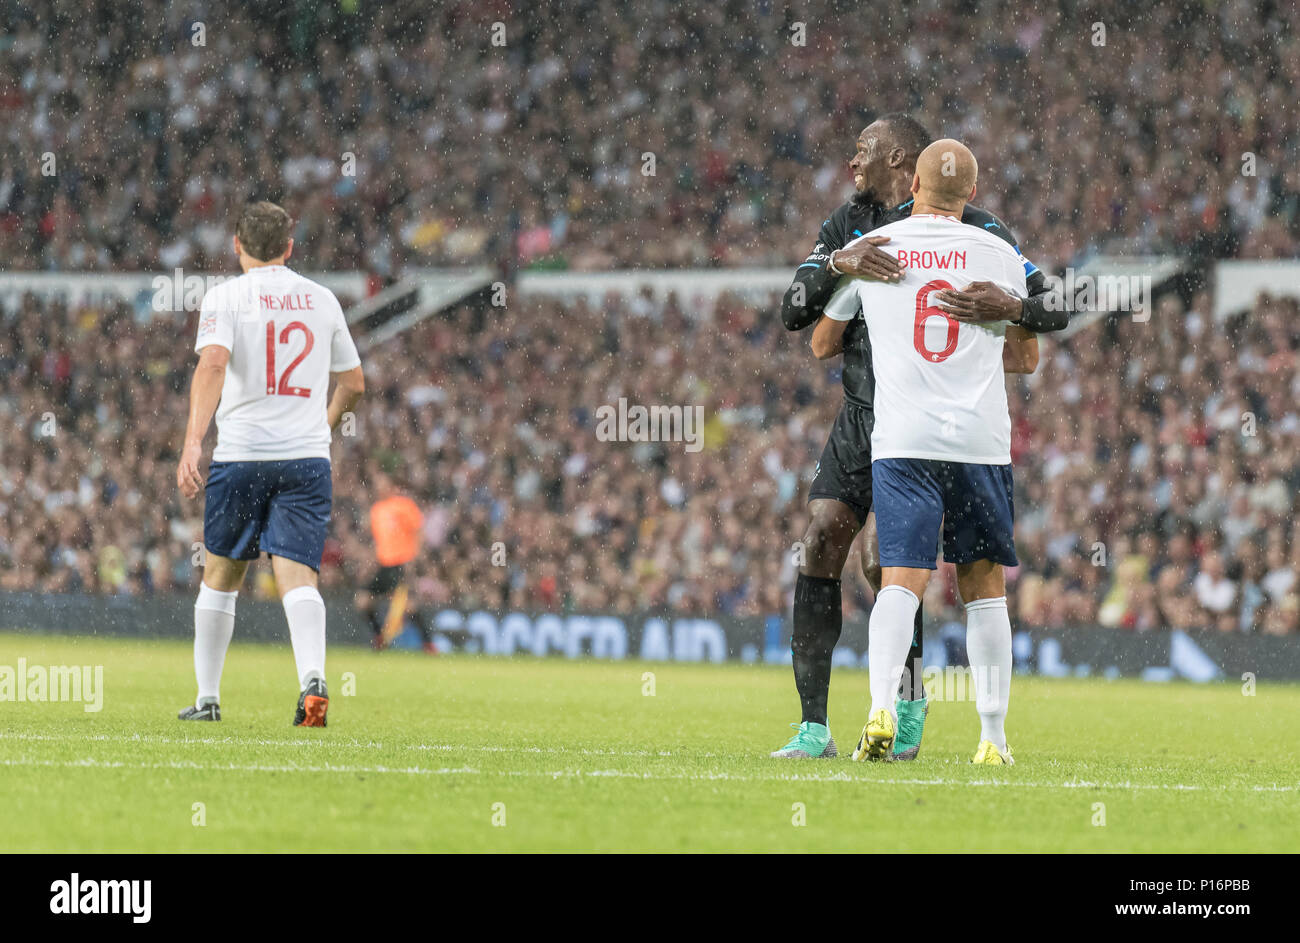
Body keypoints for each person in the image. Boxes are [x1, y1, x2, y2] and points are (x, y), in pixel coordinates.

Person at [771, 113, 1065, 762]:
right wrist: (839, 263)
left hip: (914, 421)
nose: (851, 164)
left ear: (903, 161)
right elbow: (802, 319)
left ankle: (902, 703)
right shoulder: (849, 226)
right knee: (822, 536)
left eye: (862, 151)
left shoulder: (972, 234)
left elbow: (1037, 330)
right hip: (869, 413)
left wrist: (1009, 319)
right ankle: (815, 725)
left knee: (889, 563)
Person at [175, 201, 365, 727]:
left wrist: (193, 442)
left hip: (242, 457)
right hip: (305, 460)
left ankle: (208, 699)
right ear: (289, 247)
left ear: (236, 245)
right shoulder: (322, 300)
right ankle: (313, 680)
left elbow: (213, 363)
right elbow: (354, 383)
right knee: (298, 573)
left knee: (220, 574)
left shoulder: (226, 297)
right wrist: (321, 429)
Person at [357, 470, 438, 653]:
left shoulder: (404, 506)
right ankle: (379, 637)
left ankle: (428, 644)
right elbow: (379, 541)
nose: (379, 486)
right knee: (362, 601)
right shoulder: (376, 510)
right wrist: (369, 564)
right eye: (377, 483)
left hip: (402, 563)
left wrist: (414, 558)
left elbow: (419, 532)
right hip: (384, 565)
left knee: (409, 606)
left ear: (392, 486)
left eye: (382, 482)